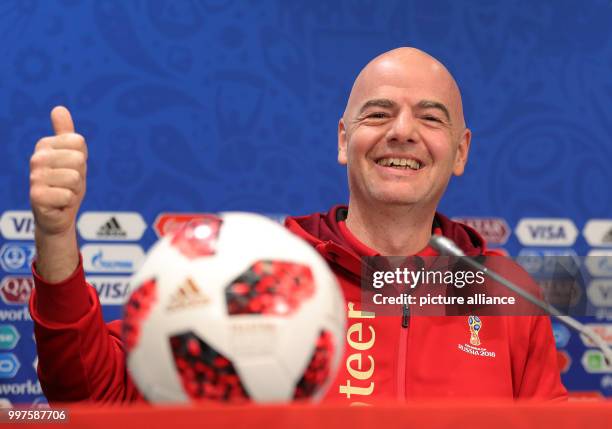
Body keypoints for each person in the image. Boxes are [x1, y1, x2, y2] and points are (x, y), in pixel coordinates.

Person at [28, 47, 567, 403]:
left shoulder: (503, 293)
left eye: (430, 117)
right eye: (378, 113)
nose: (402, 132)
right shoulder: (259, 265)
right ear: (342, 139)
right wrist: (56, 237)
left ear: (460, 151)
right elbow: (94, 396)